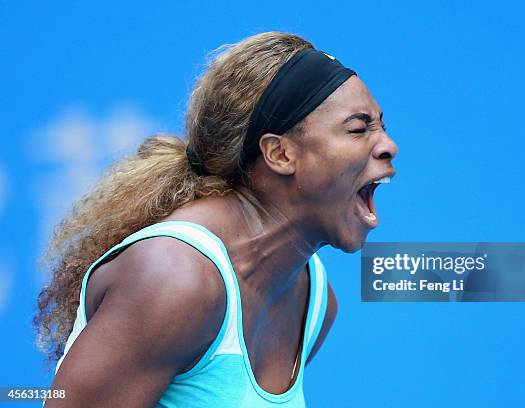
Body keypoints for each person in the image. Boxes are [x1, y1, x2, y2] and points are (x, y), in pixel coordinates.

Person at [35, 31, 398, 407]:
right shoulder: (175, 278)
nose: (389, 145)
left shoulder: (315, 299)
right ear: (279, 154)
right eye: (358, 129)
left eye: (381, 126)